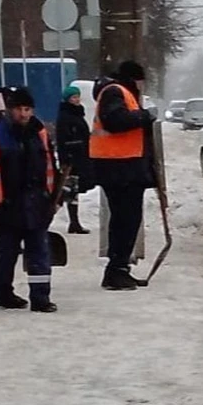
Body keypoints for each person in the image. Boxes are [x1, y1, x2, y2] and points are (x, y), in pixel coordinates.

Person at [0, 86, 58, 313]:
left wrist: (52, 195)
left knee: (39, 252)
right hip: (8, 203)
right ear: (9, 110)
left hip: (36, 201)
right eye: (19, 109)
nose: (24, 114)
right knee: (7, 252)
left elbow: (49, 165)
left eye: (27, 109)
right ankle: (3, 293)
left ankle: (40, 296)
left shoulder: (39, 132)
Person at [91, 60, 157, 291]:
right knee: (125, 220)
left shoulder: (117, 92)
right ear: (134, 78)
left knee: (125, 220)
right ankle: (116, 270)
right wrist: (144, 116)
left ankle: (118, 269)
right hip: (119, 167)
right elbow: (115, 121)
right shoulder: (115, 92)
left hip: (122, 167)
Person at [56, 85, 92, 234]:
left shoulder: (77, 114)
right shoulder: (65, 116)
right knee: (66, 191)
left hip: (79, 157)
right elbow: (63, 138)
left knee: (72, 191)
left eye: (77, 96)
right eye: (73, 97)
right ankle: (48, 217)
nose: (77, 100)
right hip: (71, 159)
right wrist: (69, 155)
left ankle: (74, 222)